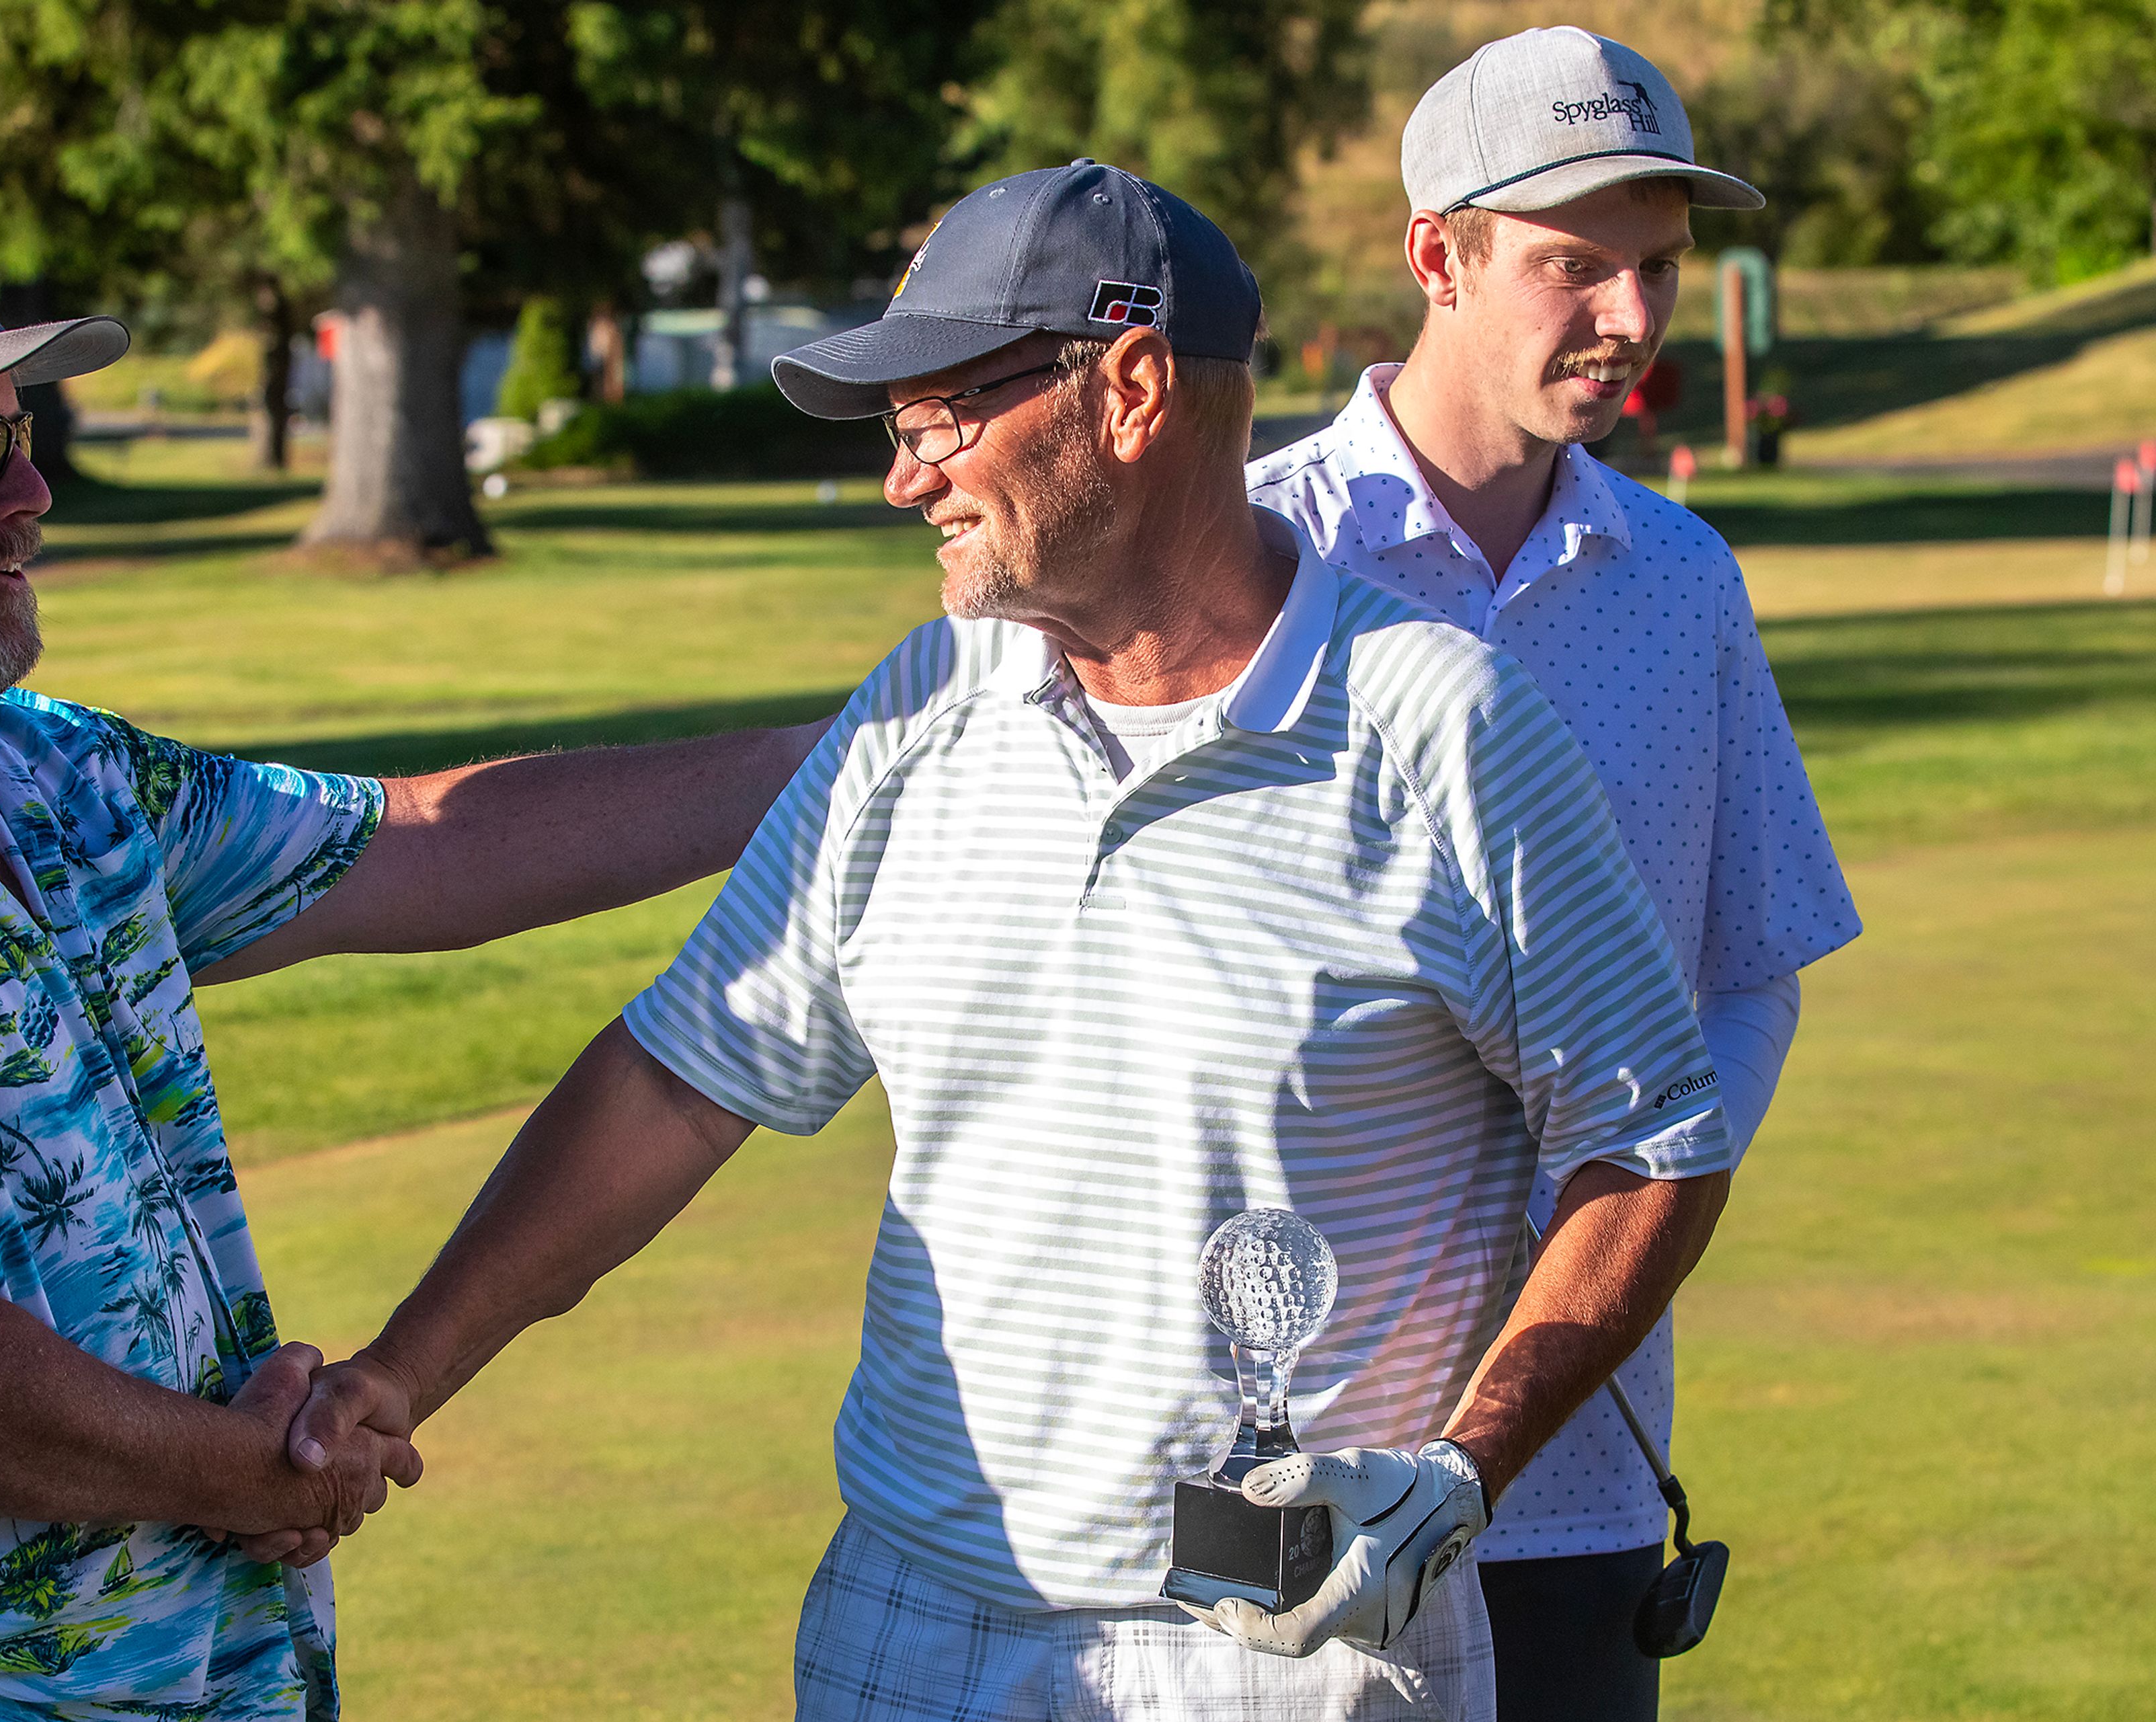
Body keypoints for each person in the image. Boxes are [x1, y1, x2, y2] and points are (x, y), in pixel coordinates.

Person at [288, 161, 1738, 1720]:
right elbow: (676, 1085)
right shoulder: (922, 703)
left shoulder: (1436, 726)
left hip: (1273, 1640)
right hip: (910, 1607)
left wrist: (1456, 1474)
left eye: (936, 419)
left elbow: (1649, 1140)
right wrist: (398, 1371)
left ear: (1125, 387)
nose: (908, 478)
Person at [0, 235, 822, 1722]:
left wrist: (843, 759)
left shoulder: (33, 765)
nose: (30, 491)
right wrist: (250, 1469)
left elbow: (425, 842)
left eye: (18, 438)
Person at [1244, 28, 1862, 1721]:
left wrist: (1637, 1217)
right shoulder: (1241, 559)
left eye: (1656, 268)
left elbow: (1746, 960)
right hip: (1265, 1470)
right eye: (1572, 265)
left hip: (1573, 1465)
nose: (1631, 318)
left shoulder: (1680, 578)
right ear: (1434, 255)